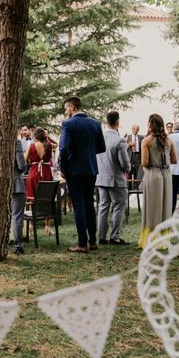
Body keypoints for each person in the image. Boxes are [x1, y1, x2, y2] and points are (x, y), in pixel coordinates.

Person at [59, 96, 106, 253]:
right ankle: (93, 241)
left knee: (78, 204)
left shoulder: (68, 124)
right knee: (88, 204)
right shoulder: (95, 123)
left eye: (66, 108)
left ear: (72, 108)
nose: (66, 111)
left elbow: (63, 149)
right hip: (91, 168)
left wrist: (63, 168)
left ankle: (82, 243)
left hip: (74, 170)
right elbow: (101, 147)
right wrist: (88, 153)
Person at [139, 114, 177, 248]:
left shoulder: (146, 140)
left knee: (152, 207)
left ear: (150, 124)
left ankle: (150, 239)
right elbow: (174, 160)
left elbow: (144, 162)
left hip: (153, 174)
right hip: (166, 174)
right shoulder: (169, 140)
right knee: (165, 206)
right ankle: (163, 239)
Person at [96, 111, 131, 245]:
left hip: (101, 177)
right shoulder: (119, 140)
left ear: (106, 122)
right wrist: (127, 170)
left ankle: (102, 236)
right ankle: (115, 236)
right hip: (116, 178)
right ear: (117, 122)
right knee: (119, 206)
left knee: (103, 206)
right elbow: (125, 163)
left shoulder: (99, 138)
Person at [25, 127, 54, 235]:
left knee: (32, 200)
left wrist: (31, 159)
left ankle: (31, 224)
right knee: (47, 199)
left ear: (35, 136)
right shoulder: (49, 145)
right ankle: (47, 226)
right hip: (46, 172)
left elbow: (24, 159)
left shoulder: (32, 146)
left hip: (34, 173)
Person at [12, 138, 28, 255]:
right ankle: (17, 246)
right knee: (17, 216)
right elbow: (21, 165)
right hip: (15, 184)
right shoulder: (15, 141)